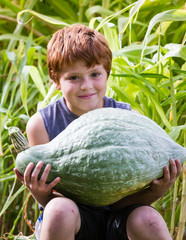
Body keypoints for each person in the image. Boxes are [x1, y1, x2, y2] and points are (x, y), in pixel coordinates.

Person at [14, 24, 182, 240]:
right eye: (74, 77)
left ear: (107, 73)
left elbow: (126, 200)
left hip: (118, 216)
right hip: (72, 218)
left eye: (95, 74)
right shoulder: (42, 124)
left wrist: (156, 191)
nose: (86, 86)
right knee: (58, 211)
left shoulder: (125, 118)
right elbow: (52, 201)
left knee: (148, 219)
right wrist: (40, 193)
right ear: (56, 81)